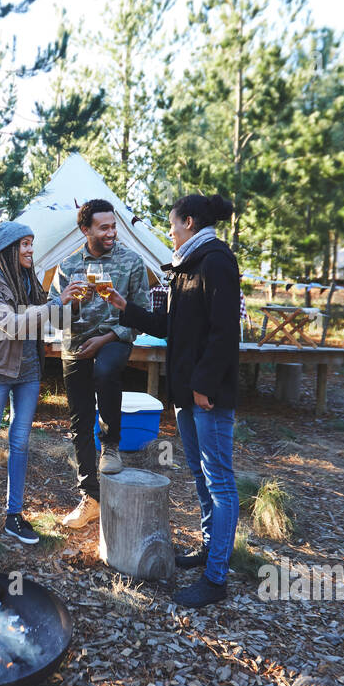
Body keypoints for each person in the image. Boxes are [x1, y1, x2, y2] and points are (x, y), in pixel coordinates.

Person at [104, 194, 241, 608]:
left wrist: (204, 385)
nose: (169, 230)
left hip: (207, 393)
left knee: (220, 481)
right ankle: (206, 548)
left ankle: (216, 578)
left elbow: (223, 333)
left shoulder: (216, 261)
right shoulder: (185, 265)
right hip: (184, 391)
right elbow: (168, 326)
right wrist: (125, 308)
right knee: (200, 475)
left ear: (190, 221)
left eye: (172, 223)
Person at [0, 221, 88, 544]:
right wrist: (53, 306)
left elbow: (53, 320)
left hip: (29, 373)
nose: (31, 249)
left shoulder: (32, 280)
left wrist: (72, 301)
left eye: (31, 243)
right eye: (24, 244)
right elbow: (13, 326)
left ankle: (13, 516)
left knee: (20, 442)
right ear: (8, 249)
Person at [52, 199, 150, 530]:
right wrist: (73, 305)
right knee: (79, 421)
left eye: (113, 226)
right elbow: (57, 320)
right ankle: (90, 498)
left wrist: (107, 338)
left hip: (114, 340)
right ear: (85, 230)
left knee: (107, 370)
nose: (111, 232)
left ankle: (111, 445)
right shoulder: (67, 265)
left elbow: (142, 315)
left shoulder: (131, 261)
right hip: (76, 346)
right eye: (104, 227)